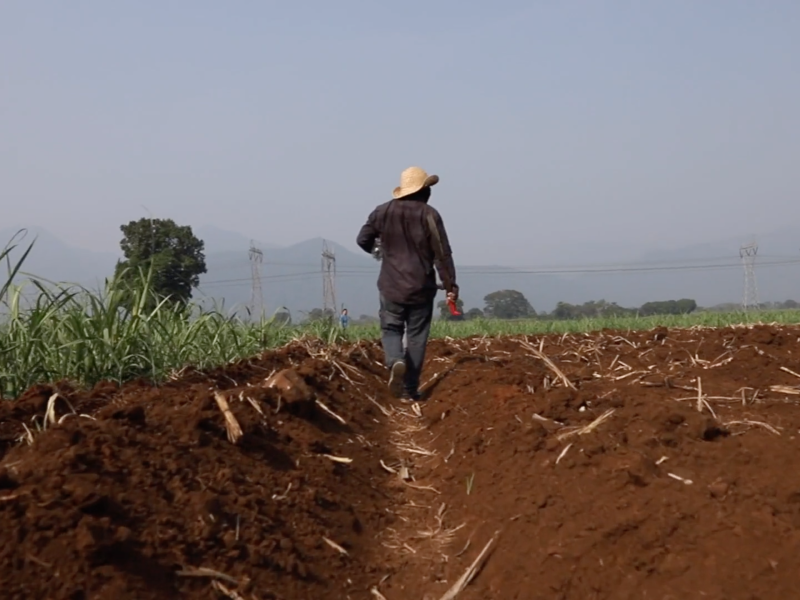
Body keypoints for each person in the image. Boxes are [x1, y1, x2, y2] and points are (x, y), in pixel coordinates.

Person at [356, 166, 458, 401]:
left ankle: (395, 361)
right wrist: (450, 286)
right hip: (421, 287)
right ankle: (409, 390)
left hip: (390, 285)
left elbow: (362, 239)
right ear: (423, 190)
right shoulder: (430, 215)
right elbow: (442, 254)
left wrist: (379, 251)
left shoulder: (381, 212)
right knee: (416, 336)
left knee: (391, 328)